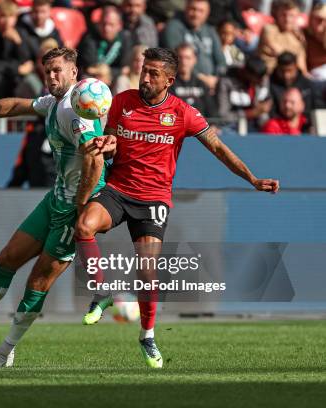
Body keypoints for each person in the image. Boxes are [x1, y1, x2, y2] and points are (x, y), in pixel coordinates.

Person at [75, 47, 279, 369]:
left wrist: (251, 178)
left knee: (147, 271)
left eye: (153, 73)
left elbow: (218, 148)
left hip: (153, 198)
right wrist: (106, 145)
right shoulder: (121, 102)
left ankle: (147, 335)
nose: (145, 77)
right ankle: (102, 292)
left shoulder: (183, 113)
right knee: (84, 226)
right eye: (144, 70)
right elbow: (112, 142)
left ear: (169, 80)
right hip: (118, 189)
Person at [0, 47, 109, 368]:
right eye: (47, 71)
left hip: (73, 210)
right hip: (55, 199)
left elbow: (95, 159)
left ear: (73, 72)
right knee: (8, 258)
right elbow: (13, 105)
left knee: (37, 282)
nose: (52, 76)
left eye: (57, 70)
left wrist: (83, 203)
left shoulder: (77, 111)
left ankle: (4, 352)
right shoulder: (54, 103)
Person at [161, 0, 227, 92]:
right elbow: (176, 58)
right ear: (186, 9)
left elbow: (221, 61)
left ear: (207, 13)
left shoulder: (211, 30)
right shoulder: (173, 27)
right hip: (185, 83)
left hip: (213, 83)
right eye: (193, 9)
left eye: (201, 11)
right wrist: (202, 78)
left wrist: (216, 79)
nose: (196, 14)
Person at [77, 5, 132, 77]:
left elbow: (126, 69)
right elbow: (89, 68)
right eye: (104, 24)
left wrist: (108, 72)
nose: (106, 28)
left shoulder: (125, 38)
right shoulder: (90, 37)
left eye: (111, 25)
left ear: (119, 25)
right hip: (92, 77)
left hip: (114, 78)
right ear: (99, 23)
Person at [170, 43, 216, 117]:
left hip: (202, 126)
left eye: (187, 58)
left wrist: (213, 125)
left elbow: (212, 112)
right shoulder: (168, 84)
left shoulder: (202, 84)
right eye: (180, 57)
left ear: (194, 60)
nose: (184, 62)